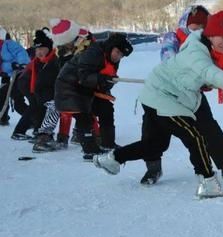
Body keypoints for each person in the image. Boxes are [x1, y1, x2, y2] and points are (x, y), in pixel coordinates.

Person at [93, 12, 223, 198]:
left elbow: (202, 75)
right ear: (211, 33)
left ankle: (113, 159)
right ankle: (208, 182)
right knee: (195, 137)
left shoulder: (204, 49)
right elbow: (207, 70)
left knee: (154, 145)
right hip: (166, 97)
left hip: (158, 94)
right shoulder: (197, 51)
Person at [152, 6, 223, 183]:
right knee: (156, 133)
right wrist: (201, 76)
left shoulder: (206, 43)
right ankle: (153, 169)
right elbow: (169, 60)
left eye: (202, 27)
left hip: (193, 93)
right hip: (167, 92)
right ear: (184, 24)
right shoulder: (174, 38)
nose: (197, 30)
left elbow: (212, 70)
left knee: (210, 128)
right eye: (194, 26)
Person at [55, 32, 133, 159]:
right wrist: (102, 79)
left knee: (106, 109)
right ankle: (90, 151)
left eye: (121, 55)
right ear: (111, 46)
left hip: (88, 90)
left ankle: (108, 144)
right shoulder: (94, 52)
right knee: (84, 117)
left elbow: (104, 80)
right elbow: (83, 76)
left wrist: (108, 81)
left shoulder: (111, 59)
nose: (118, 57)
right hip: (69, 88)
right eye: (117, 52)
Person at [32, 19, 82, 151]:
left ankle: (76, 134)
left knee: (80, 106)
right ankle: (44, 136)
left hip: (59, 91)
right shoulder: (57, 59)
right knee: (56, 106)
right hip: (49, 92)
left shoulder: (63, 55)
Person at [0, 27, 30, 128]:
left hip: (20, 73)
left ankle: (33, 120)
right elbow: (3, 66)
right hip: (9, 74)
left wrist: (22, 63)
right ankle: (3, 117)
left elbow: (20, 52)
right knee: (3, 94)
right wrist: (10, 66)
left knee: (16, 99)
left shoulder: (8, 44)